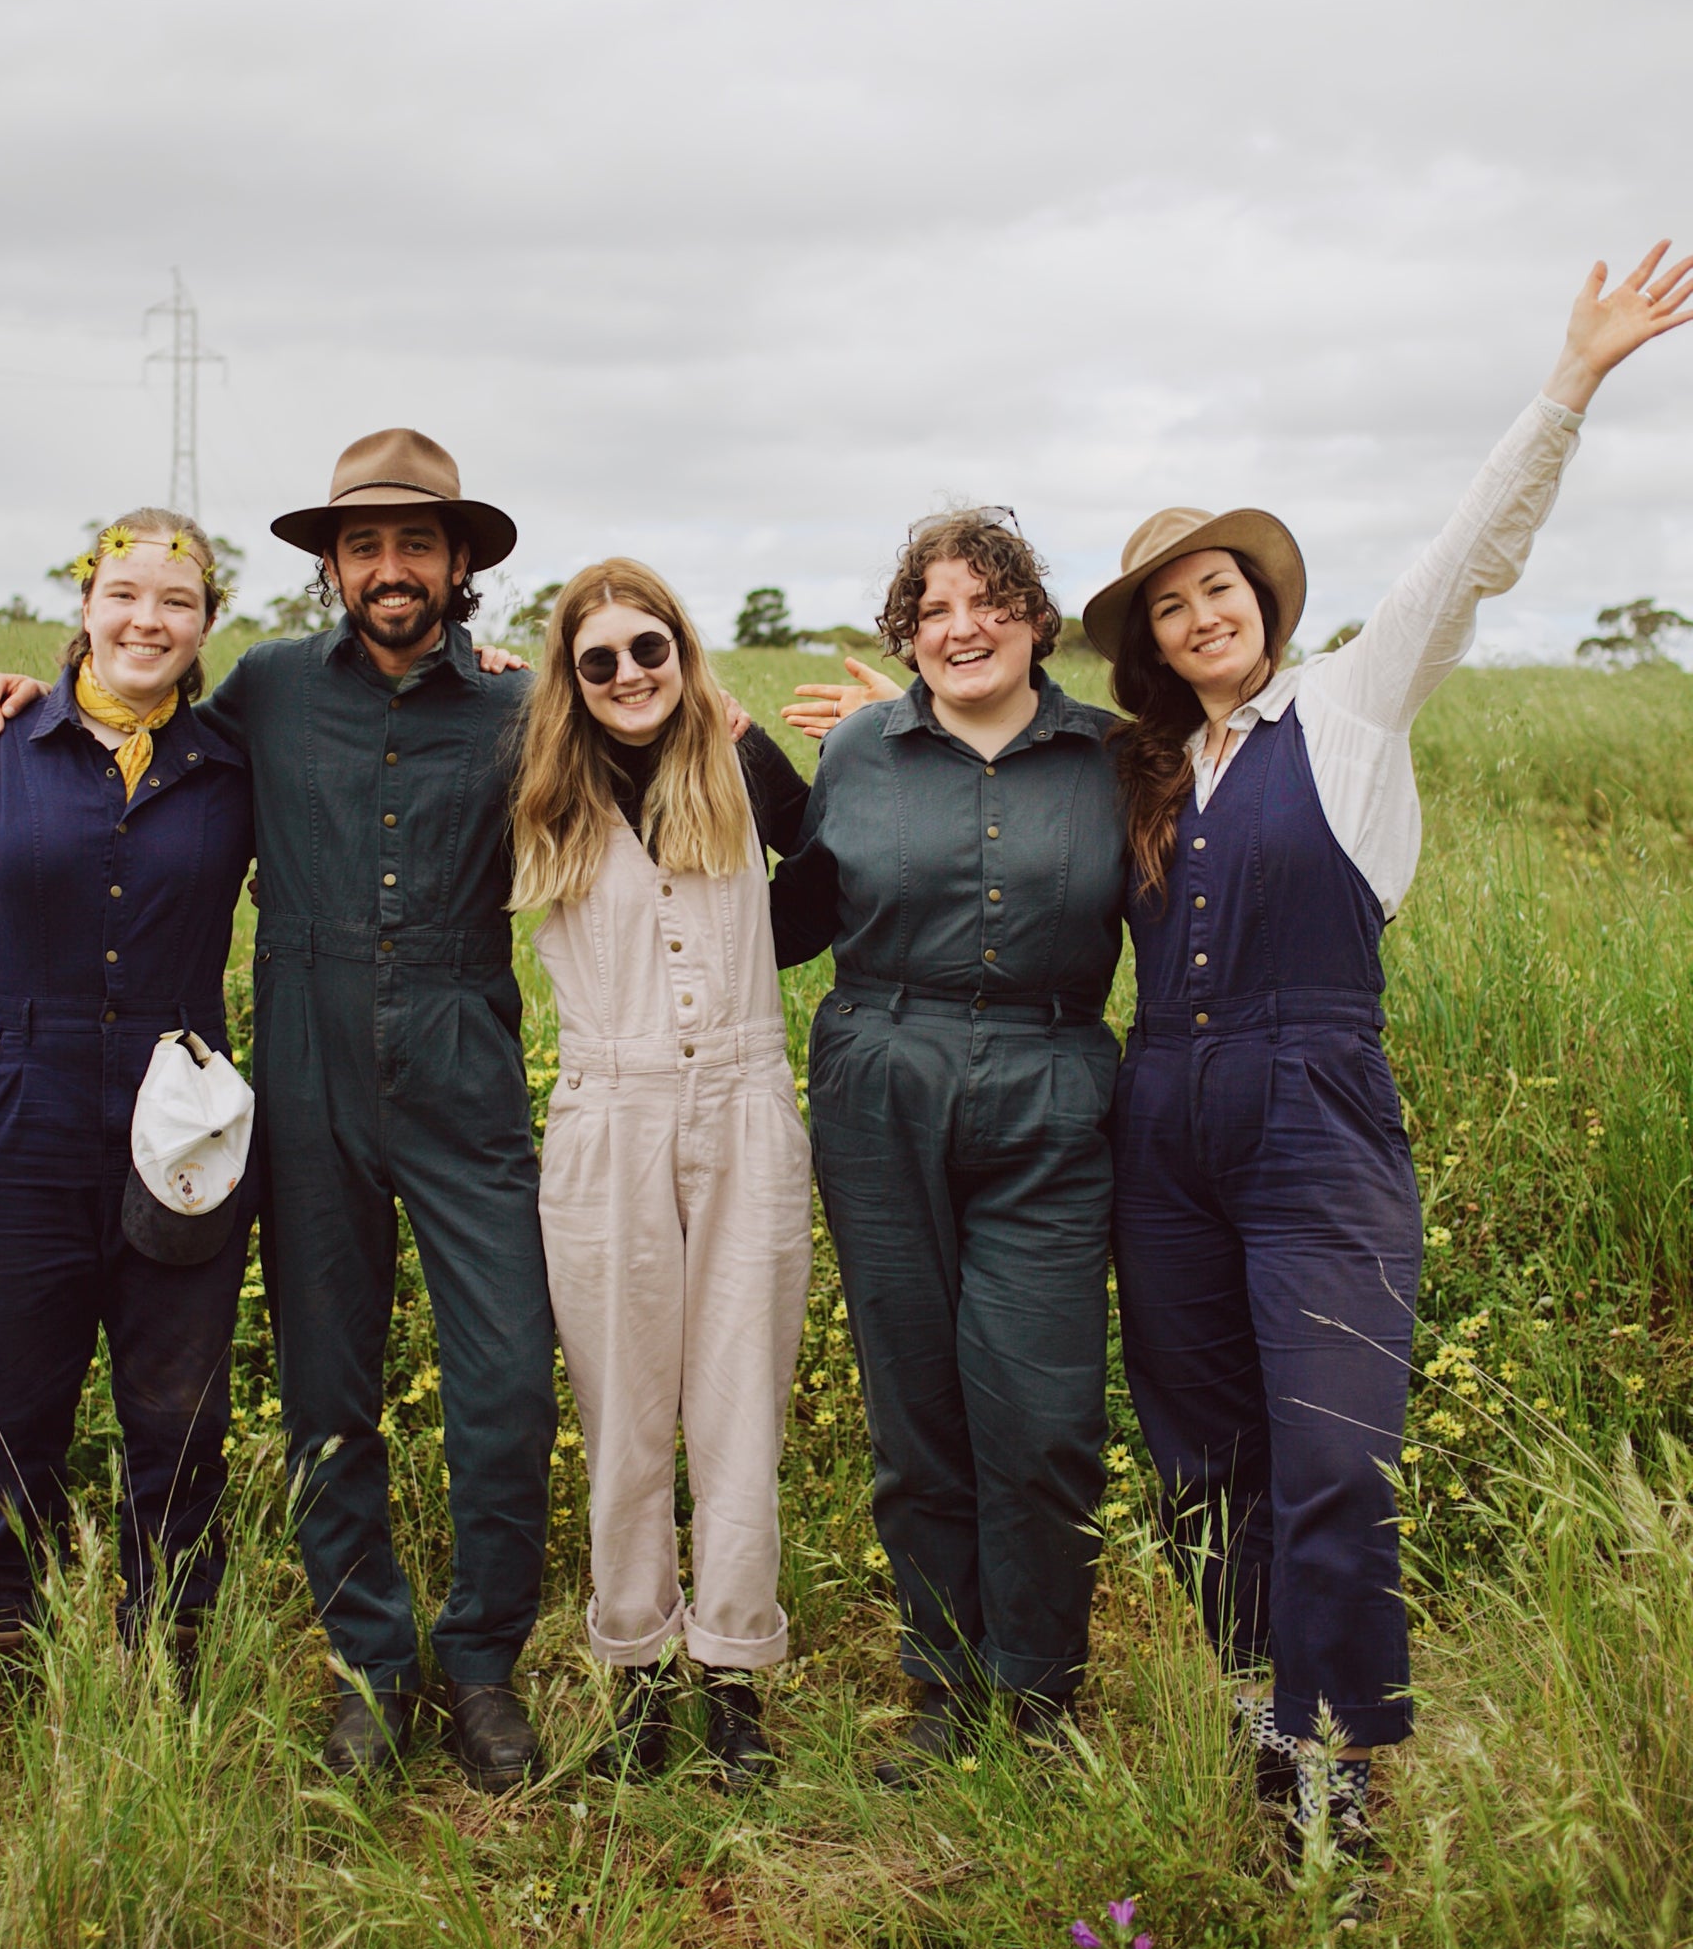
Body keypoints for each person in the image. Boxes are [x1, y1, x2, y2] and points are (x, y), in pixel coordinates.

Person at [1079, 242, 1693, 1858]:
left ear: (1262, 605)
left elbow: (1466, 559)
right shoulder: (1138, 770)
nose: (1202, 612)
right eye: (1172, 600)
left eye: (1221, 587)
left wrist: (1569, 382)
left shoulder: (1349, 711)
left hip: (1313, 1113)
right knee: (1203, 1451)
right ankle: (1258, 1724)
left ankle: (1339, 1764)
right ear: (1151, 640)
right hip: (1163, 1124)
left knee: (1334, 1449)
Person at [0, 430, 558, 1794]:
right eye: (363, 546)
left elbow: (650, 767)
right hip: (303, 1051)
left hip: (463, 1051)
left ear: (461, 563)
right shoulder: (272, 692)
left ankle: (481, 1665)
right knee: (326, 1388)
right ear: (332, 567)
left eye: (416, 544)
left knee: (509, 1383)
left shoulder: (527, 706)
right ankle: (369, 1666)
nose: (389, 569)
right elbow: (125, 719)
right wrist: (19, 694)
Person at [0, 512, 255, 1764]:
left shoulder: (231, 763)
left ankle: (164, 1666)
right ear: (86, 603)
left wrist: (490, 678)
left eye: (178, 601)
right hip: (20, 1112)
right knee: (14, 1407)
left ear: (207, 626)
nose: (148, 619)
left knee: (179, 1414)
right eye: (126, 592)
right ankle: (2, 1658)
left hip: (182, 1122)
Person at [769, 511, 1126, 1779]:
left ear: (1035, 617)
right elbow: (798, 919)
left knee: (1039, 1415)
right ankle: (942, 1687)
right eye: (931, 611)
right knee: (914, 1407)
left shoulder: (1112, 757)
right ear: (904, 633)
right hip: (878, 1077)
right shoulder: (860, 752)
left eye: (986, 602)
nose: (959, 627)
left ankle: (1037, 1697)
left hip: (1053, 1085)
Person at [511, 561, 814, 1788]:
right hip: (606, 1106)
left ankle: (732, 1672)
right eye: (600, 661)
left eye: (651, 651)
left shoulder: (743, 772)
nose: (629, 676)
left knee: (741, 1396)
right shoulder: (534, 786)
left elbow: (840, 877)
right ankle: (633, 1666)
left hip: (745, 1100)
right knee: (622, 1406)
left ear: (685, 655)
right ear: (568, 681)